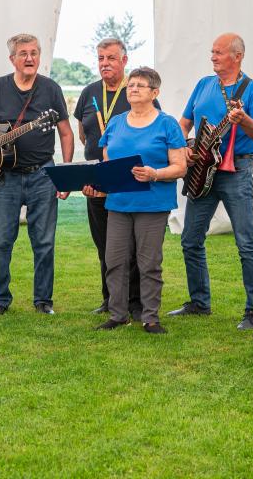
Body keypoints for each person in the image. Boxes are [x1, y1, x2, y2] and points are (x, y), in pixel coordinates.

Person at [0, 34, 73, 315]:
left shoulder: (51, 89)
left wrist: (66, 172)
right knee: (0, 241)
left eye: (34, 53)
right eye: (23, 53)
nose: (30, 58)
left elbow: (65, 132)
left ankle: (43, 301)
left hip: (43, 174)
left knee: (44, 242)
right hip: (4, 178)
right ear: (12, 59)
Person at [171, 33, 253, 330]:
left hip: (236, 169)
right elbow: (184, 123)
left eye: (218, 52)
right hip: (202, 168)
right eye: (212, 52)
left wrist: (244, 120)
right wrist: (183, 147)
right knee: (190, 239)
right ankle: (199, 302)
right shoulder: (203, 85)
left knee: (246, 242)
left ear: (237, 56)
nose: (212, 56)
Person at [93, 67, 186, 334]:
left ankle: (150, 318)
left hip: (152, 204)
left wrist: (155, 174)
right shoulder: (116, 123)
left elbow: (180, 167)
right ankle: (118, 314)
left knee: (149, 264)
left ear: (154, 93)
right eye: (130, 85)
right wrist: (97, 182)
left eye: (139, 85)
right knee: (114, 261)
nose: (132, 89)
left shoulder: (167, 124)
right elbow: (108, 161)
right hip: (118, 204)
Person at [74, 38, 159, 319]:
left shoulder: (136, 91)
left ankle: (135, 302)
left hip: (128, 179)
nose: (105, 63)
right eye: (100, 58)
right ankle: (110, 299)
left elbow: (153, 128)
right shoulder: (89, 93)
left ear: (124, 60)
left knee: (131, 246)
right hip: (97, 178)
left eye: (111, 58)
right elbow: (84, 133)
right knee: (105, 245)